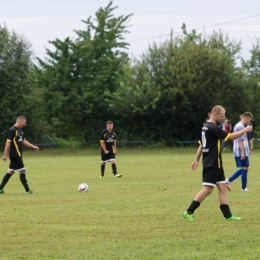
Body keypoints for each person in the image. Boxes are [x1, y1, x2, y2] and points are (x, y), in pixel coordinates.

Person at [183, 105, 252, 222]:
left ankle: (227, 215)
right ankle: (188, 211)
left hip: (217, 163)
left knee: (222, 188)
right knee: (208, 189)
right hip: (212, 163)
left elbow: (201, 144)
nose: (223, 118)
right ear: (215, 115)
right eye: (221, 116)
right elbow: (230, 137)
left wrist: (197, 159)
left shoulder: (206, 127)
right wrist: (245, 130)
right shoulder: (212, 128)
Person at [0, 115, 39, 194]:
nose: (24, 124)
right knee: (22, 171)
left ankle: (0, 189)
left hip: (17, 154)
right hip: (15, 155)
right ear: (19, 121)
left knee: (10, 172)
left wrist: (32, 146)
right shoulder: (12, 130)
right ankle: (27, 191)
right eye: (24, 122)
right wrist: (5, 154)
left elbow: (23, 141)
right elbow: (8, 142)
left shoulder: (20, 130)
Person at [226, 112, 253, 192]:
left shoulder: (238, 125)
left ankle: (229, 181)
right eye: (249, 120)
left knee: (245, 168)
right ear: (246, 118)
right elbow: (240, 140)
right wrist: (243, 152)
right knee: (245, 168)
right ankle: (242, 187)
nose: (249, 122)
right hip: (239, 150)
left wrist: (247, 150)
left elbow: (242, 140)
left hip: (240, 150)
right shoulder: (241, 127)